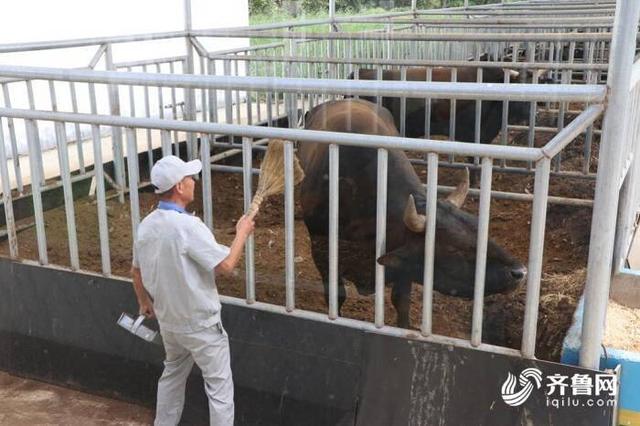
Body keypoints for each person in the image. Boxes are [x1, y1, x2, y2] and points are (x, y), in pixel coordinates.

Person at [131, 155, 255, 426]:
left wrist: (143, 302)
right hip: (201, 325)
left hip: (170, 323)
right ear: (178, 187)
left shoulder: (146, 225)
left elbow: (136, 271)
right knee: (220, 388)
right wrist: (242, 233)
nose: (193, 182)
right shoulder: (188, 226)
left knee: (172, 375)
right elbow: (226, 265)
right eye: (189, 178)